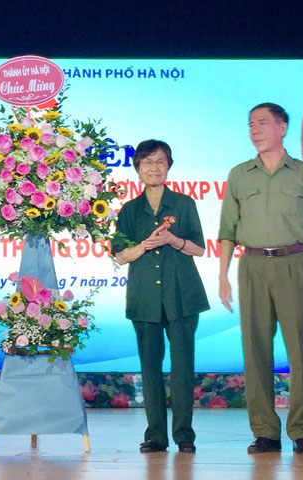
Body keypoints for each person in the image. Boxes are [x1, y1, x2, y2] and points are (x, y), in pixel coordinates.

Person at [218, 103, 303, 455]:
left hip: (296, 264)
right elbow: (227, 230)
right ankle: (265, 432)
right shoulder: (240, 174)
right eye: (250, 124)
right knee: (255, 351)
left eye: (262, 123)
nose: (254, 130)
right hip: (253, 265)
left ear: (282, 128)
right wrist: (222, 276)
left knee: (300, 350)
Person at [112, 140, 210, 454]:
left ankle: (184, 435)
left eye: (160, 161)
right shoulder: (129, 210)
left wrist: (172, 240)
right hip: (144, 297)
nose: (154, 168)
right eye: (147, 162)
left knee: (183, 367)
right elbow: (120, 256)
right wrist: (145, 245)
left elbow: (199, 248)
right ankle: (155, 435)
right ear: (137, 168)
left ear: (169, 166)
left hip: (182, 295)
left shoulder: (183, 204)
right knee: (150, 368)